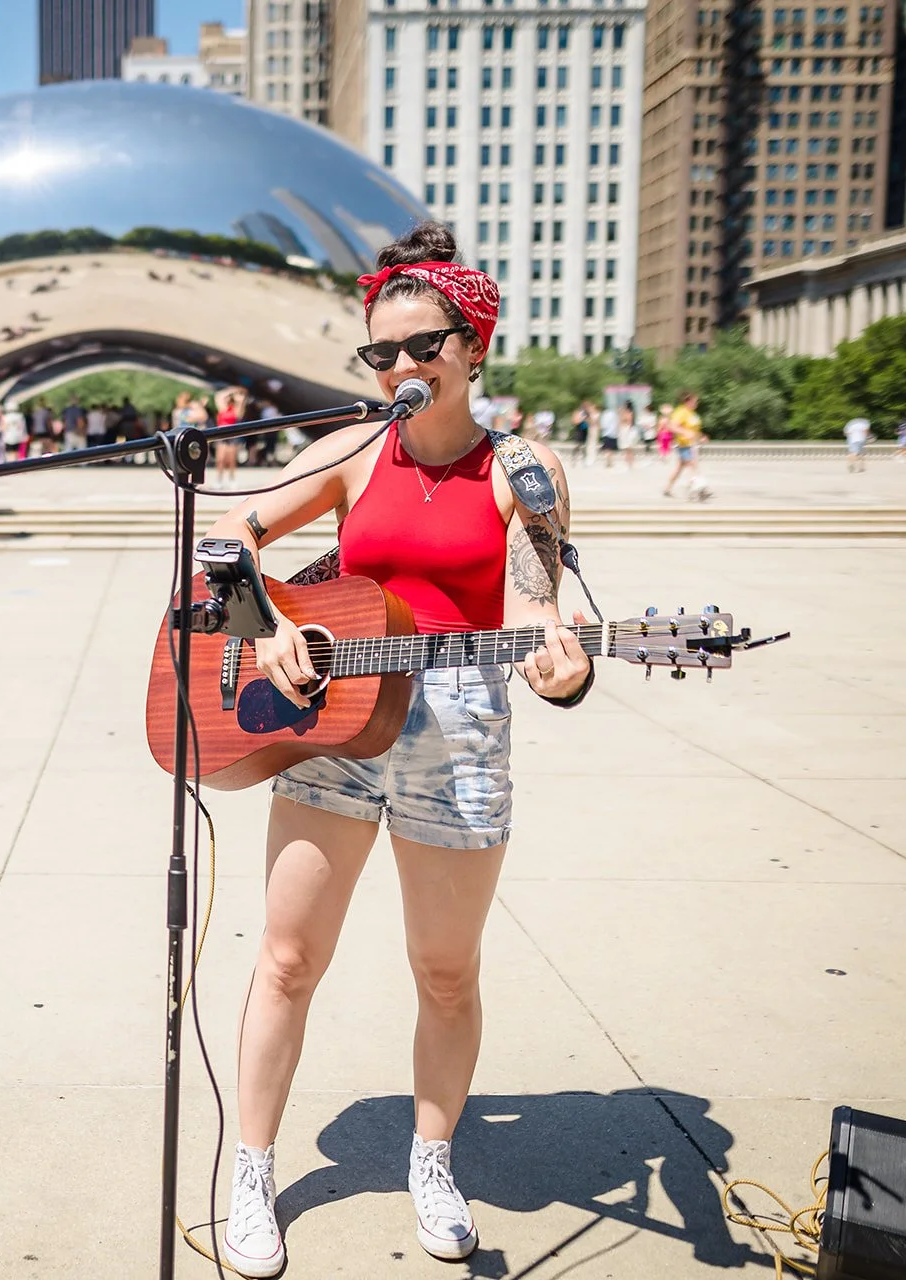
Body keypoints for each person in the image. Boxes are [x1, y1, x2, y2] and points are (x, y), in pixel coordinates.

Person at [205, 222, 592, 1277]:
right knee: (287, 956)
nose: (399, 369)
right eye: (379, 353)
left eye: (420, 346)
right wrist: (262, 627)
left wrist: (560, 667)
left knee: (445, 969)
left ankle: (432, 1158)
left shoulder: (524, 471)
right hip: (335, 717)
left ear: (472, 346)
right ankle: (250, 1168)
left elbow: (534, 607)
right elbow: (227, 535)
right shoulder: (349, 451)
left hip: (459, 727)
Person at [663, 391, 705, 498]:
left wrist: (701, 436)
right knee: (692, 465)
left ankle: (668, 488)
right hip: (683, 445)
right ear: (688, 401)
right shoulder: (681, 412)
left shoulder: (692, 413)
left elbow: (692, 429)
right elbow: (672, 426)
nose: (697, 403)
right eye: (695, 401)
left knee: (680, 467)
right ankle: (697, 490)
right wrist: (684, 433)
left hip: (692, 444)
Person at [214, 386, 244, 486]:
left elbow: (240, 409)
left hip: (232, 435)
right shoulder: (222, 408)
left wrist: (237, 398)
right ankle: (219, 479)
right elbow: (218, 396)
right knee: (220, 459)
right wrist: (231, 390)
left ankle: (232, 479)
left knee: (231, 460)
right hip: (221, 435)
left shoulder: (236, 409)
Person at [598, 401, 619, 466]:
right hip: (613, 433)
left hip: (606, 433)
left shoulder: (604, 414)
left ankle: (608, 461)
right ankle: (610, 461)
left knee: (607, 449)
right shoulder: (614, 414)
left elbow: (603, 425)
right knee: (611, 449)